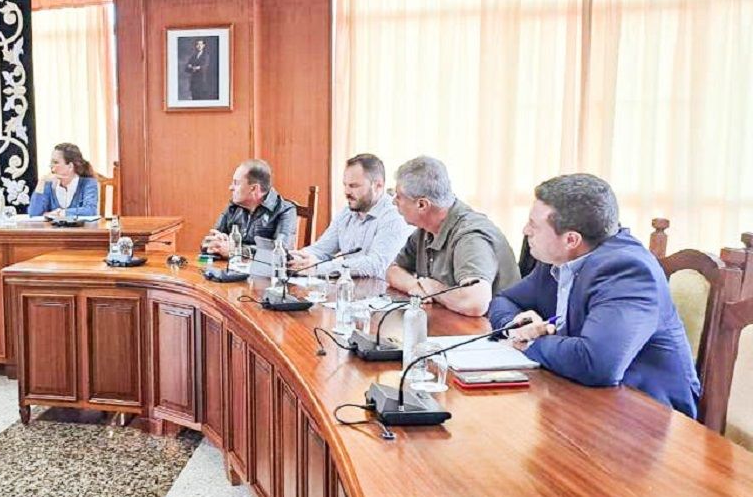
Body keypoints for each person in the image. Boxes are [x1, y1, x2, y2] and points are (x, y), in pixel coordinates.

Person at [488, 174, 700, 417]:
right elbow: (504, 300)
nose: (526, 231)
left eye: (534, 225)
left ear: (571, 239)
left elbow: (597, 364)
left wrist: (531, 342)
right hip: (580, 396)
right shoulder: (556, 259)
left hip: (647, 415)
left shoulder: (627, 271)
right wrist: (516, 326)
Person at [386, 156, 519, 316]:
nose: (394, 202)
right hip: (452, 325)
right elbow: (393, 270)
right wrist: (415, 286)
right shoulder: (425, 229)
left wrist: (434, 289)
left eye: (399, 197)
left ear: (422, 205)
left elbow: (475, 302)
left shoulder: (470, 236)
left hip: (494, 332)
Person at [287, 153, 410, 279]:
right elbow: (321, 249)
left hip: (382, 293)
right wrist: (295, 258)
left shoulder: (395, 215)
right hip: (350, 290)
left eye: (354, 186)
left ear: (378, 185)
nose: (346, 192)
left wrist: (318, 268)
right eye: (345, 185)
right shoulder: (347, 212)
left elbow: (375, 265)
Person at [202, 159, 298, 258]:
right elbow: (206, 244)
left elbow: (281, 252)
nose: (230, 187)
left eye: (236, 183)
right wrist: (214, 243)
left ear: (254, 188)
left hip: (262, 272)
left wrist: (236, 250)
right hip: (230, 269)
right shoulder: (233, 206)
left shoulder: (285, 210)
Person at [27, 142, 99, 218]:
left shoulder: (88, 183)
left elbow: (90, 210)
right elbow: (33, 213)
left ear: (70, 166)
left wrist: (61, 213)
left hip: (80, 229)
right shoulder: (48, 184)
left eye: (55, 162)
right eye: (51, 162)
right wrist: (41, 182)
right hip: (53, 229)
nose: (50, 166)